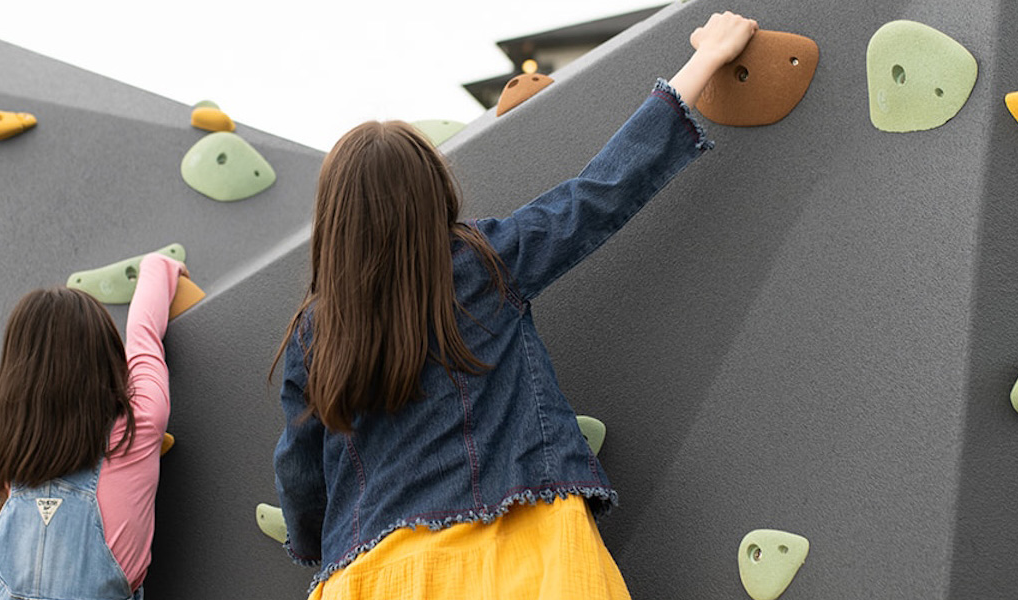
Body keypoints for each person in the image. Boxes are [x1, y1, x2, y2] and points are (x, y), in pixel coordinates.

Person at [271, 12, 760, 599]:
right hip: (520, 559)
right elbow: (597, 193)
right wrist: (705, 58)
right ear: (434, 189)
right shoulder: (481, 263)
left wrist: (326, 542)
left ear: (334, 219)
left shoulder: (313, 334)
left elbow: (300, 476)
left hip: (373, 578)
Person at [0, 253, 184, 600]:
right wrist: (159, 266)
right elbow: (143, 334)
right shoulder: (140, 421)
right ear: (105, 353)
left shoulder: (21, 436)